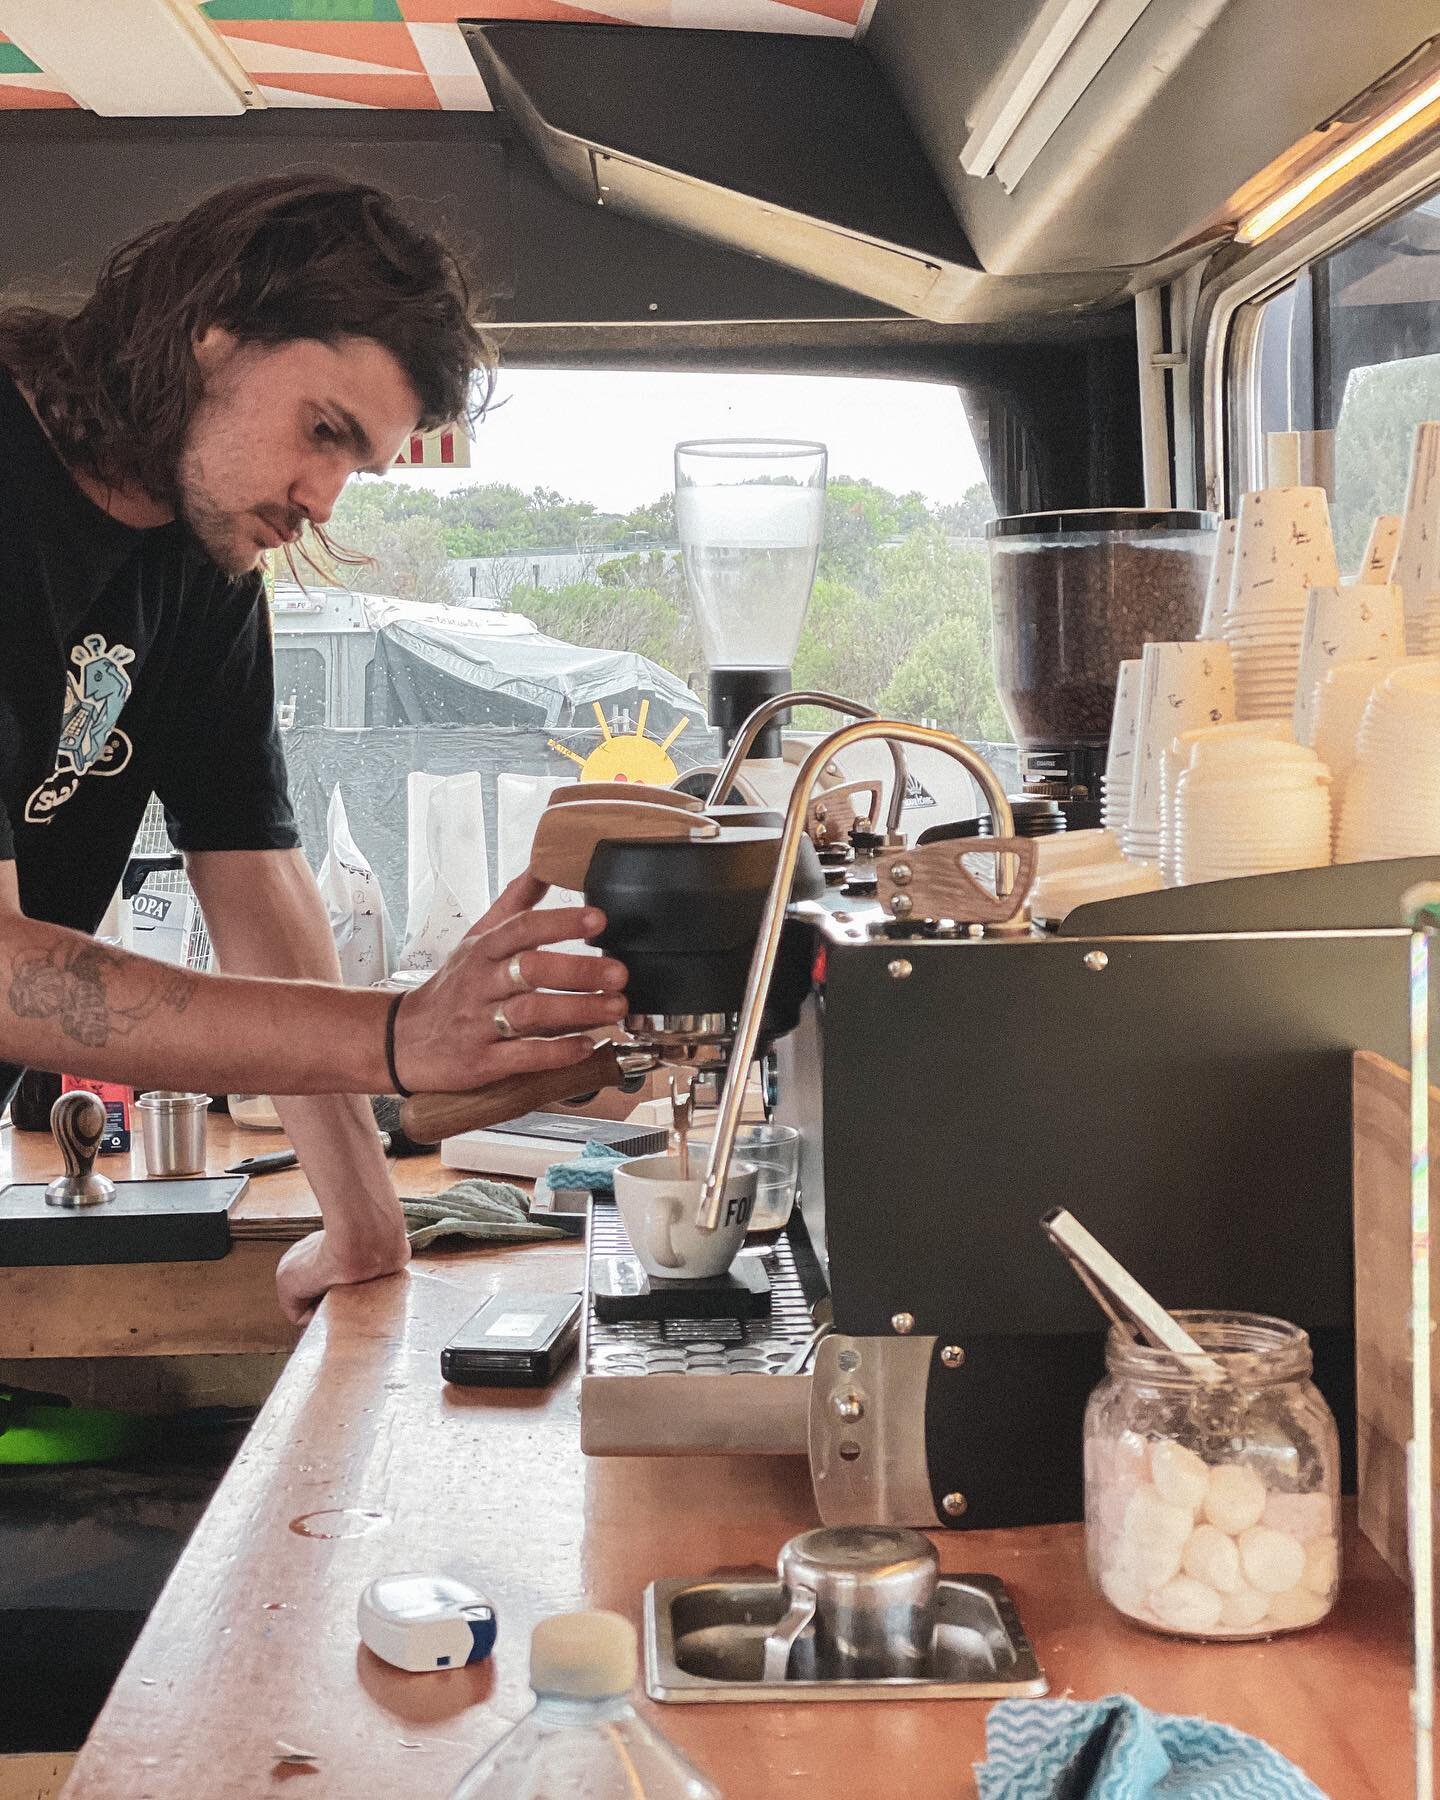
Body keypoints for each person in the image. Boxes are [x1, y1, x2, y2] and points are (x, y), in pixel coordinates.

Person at [0, 174, 628, 1323]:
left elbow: (256, 878)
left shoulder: (204, 568)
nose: (326, 500)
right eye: (323, 432)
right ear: (212, 332)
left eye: (358, 465)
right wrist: (399, 1034)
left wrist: (364, 1220)